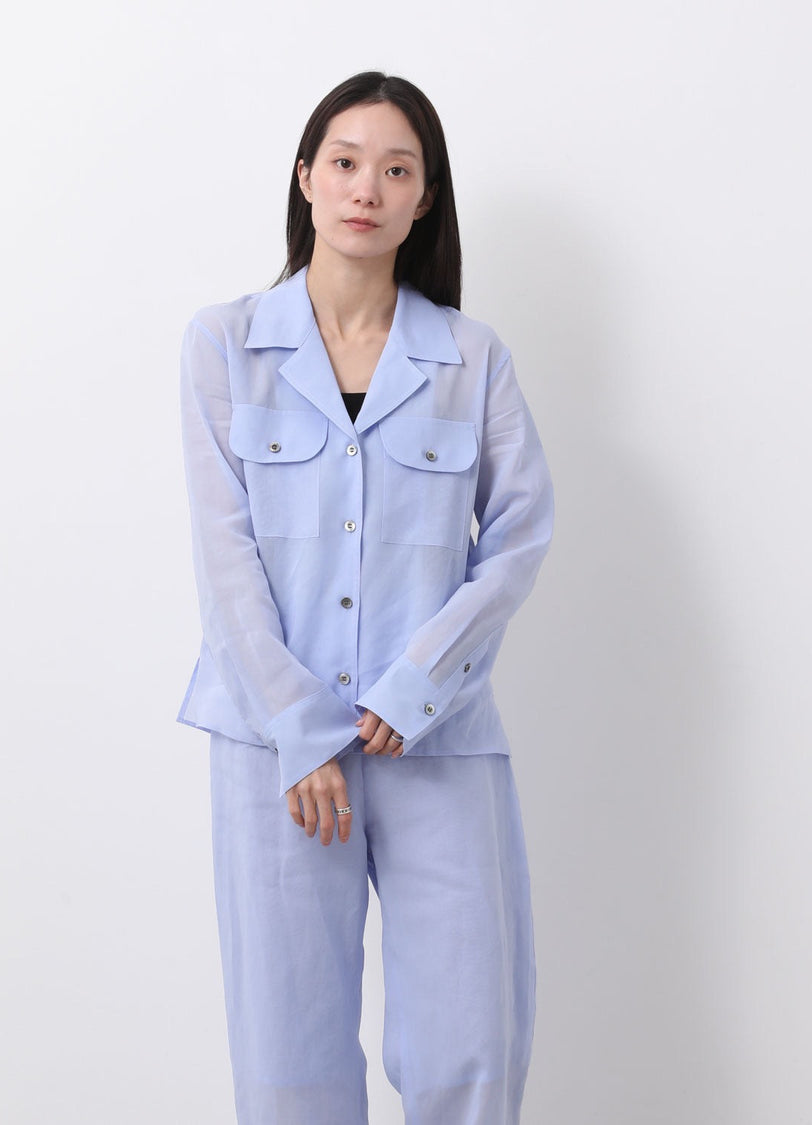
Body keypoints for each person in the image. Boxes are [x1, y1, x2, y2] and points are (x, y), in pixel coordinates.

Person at [178, 71, 554, 1125]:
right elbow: (223, 558)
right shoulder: (223, 346)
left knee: (470, 1045)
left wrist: (417, 682)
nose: (366, 189)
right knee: (287, 1057)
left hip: (437, 741)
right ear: (306, 178)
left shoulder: (472, 359)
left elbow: (519, 536)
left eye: (396, 170)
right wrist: (299, 727)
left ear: (424, 199)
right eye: (345, 163)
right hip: (274, 752)